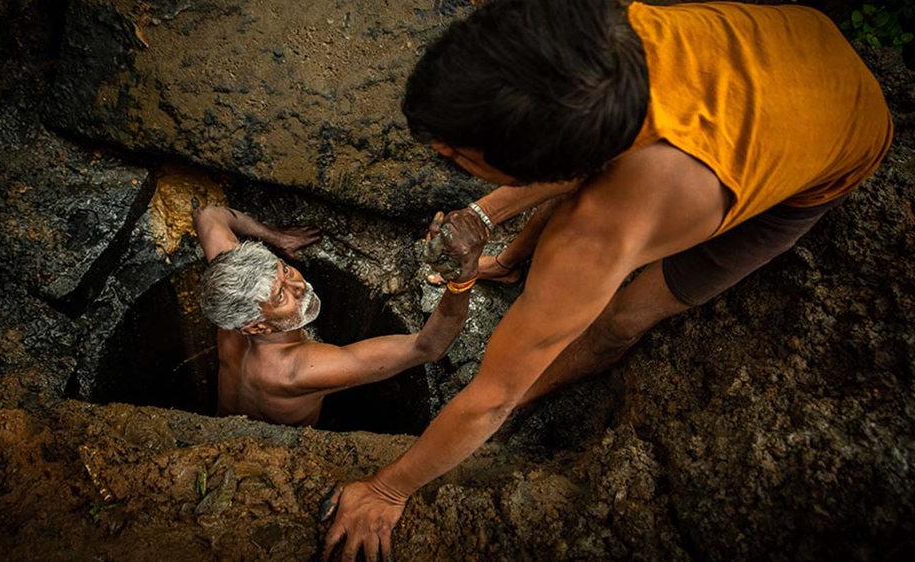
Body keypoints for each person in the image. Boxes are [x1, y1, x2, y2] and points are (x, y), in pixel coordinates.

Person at [321, 0, 894, 559]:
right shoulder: (594, 35)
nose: (439, 150)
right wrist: (482, 214)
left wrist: (386, 489)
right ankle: (513, 261)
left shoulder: (602, 231)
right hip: (793, 42)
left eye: (454, 153)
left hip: (835, 142)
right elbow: (573, 157)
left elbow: (489, 398)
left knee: (621, 318)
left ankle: (538, 395)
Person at [192, 205, 480, 426]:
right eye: (281, 296)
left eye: (285, 270)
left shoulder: (231, 293)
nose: (299, 286)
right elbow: (427, 347)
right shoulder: (302, 370)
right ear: (256, 327)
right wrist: (463, 277)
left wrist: (277, 238)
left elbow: (208, 216)